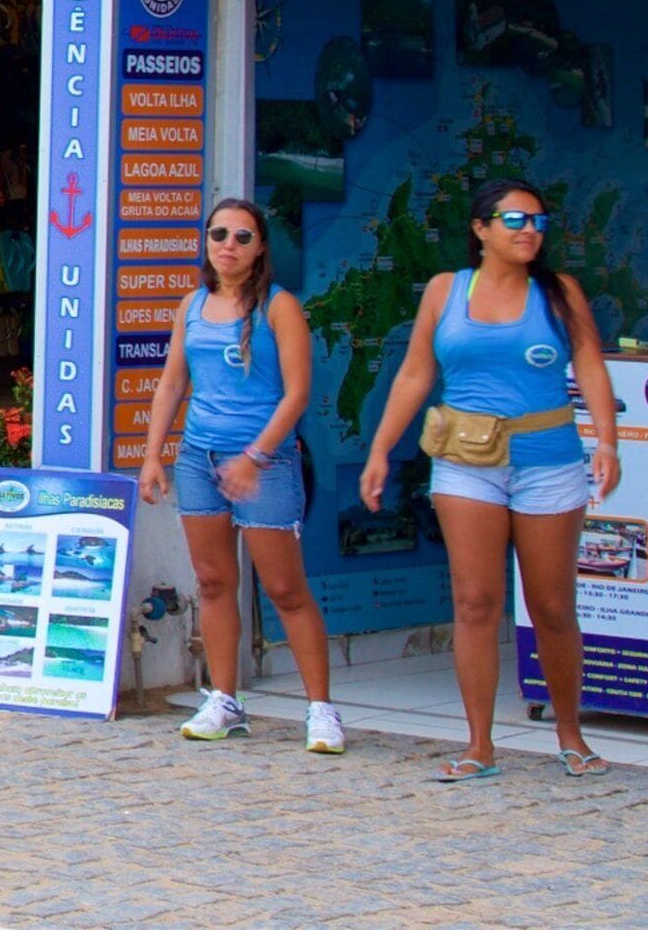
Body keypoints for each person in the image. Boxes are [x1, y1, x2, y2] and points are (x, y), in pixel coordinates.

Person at [359, 175, 622, 782]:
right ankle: (479, 744)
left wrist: (607, 440)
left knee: (552, 605)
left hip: (548, 461)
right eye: (515, 220)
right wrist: (380, 450)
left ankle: (570, 733)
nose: (530, 230)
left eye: (538, 221)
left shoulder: (558, 293)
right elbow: (415, 373)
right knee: (475, 601)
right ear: (480, 229)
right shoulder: (446, 291)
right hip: (465, 462)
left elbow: (589, 364)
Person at [137, 197, 341, 752]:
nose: (228, 245)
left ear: (260, 247)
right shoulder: (193, 304)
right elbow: (172, 383)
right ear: (206, 241)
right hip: (199, 460)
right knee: (212, 582)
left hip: (266, 463)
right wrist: (153, 456)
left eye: (242, 236)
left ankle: (321, 709)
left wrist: (254, 457)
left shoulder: (279, 307)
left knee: (284, 588)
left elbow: (297, 394)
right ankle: (225, 699)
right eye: (219, 234)